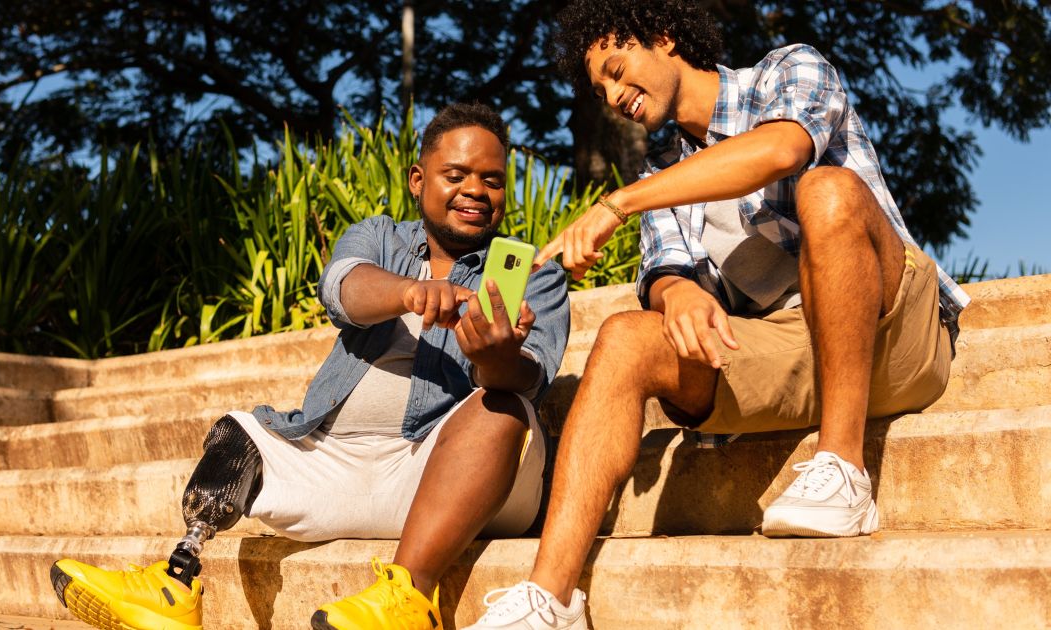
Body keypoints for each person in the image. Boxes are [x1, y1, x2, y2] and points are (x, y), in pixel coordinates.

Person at [465, 1, 970, 628]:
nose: (616, 95)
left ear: (666, 37)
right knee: (625, 336)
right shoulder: (662, 178)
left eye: (620, 70)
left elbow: (783, 149)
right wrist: (677, 294)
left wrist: (614, 205)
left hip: (896, 335)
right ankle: (551, 598)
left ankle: (843, 469)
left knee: (826, 188)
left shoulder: (788, 71)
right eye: (602, 90)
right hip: (786, 356)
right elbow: (668, 271)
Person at [48, 102, 570, 630]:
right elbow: (344, 288)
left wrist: (492, 356)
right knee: (239, 434)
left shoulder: (534, 277)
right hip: (338, 465)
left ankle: (409, 600)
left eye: (493, 180)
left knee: (498, 408)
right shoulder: (380, 238)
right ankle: (175, 585)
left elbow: (532, 379)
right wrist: (413, 292)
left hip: (457, 482)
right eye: (456, 175)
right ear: (418, 179)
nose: (476, 191)